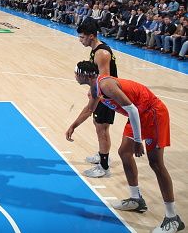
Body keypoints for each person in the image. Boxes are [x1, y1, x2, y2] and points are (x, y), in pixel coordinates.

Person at [71, 61, 184, 233]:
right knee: (124, 152)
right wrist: (73, 126)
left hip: (152, 113)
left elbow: (131, 109)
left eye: (76, 73)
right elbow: (89, 109)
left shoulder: (106, 85)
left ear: (86, 75)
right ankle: (136, 199)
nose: (75, 75)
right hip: (139, 114)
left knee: (156, 164)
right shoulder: (95, 88)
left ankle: (173, 218)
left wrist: (138, 140)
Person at [68, 18, 118, 178]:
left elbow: (104, 79)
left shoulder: (101, 54)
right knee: (99, 125)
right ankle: (103, 154)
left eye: (82, 37)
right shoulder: (95, 49)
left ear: (91, 36)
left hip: (107, 95)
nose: (80, 40)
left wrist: (94, 93)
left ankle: (104, 166)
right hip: (102, 93)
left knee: (102, 128)